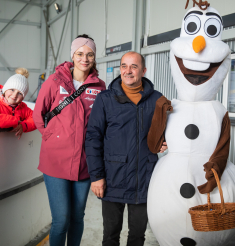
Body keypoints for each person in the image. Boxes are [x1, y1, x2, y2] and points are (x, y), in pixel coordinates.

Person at [85, 51, 167, 246]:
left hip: (144, 179)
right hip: (114, 177)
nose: (128, 71)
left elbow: (167, 129)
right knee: (110, 236)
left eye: (134, 66)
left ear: (144, 70)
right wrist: (96, 176)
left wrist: (165, 140)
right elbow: (93, 138)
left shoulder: (157, 100)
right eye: (124, 66)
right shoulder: (105, 99)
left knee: (138, 236)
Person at [33, 34, 106, 246]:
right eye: (80, 54)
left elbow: (104, 122)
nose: (85, 58)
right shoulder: (55, 82)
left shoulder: (100, 87)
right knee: (61, 220)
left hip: (84, 164)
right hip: (55, 162)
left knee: (77, 217)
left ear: (94, 57)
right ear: (72, 55)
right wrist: (51, 137)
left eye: (89, 54)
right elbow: (38, 114)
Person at [0, 68, 36, 138]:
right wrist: (15, 121)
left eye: (19, 93)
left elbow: (36, 118)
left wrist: (23, 125)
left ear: (22, 98)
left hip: (14, 145)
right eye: (12, 90)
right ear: (5, 90)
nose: (14, 95)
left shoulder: (23, 108)